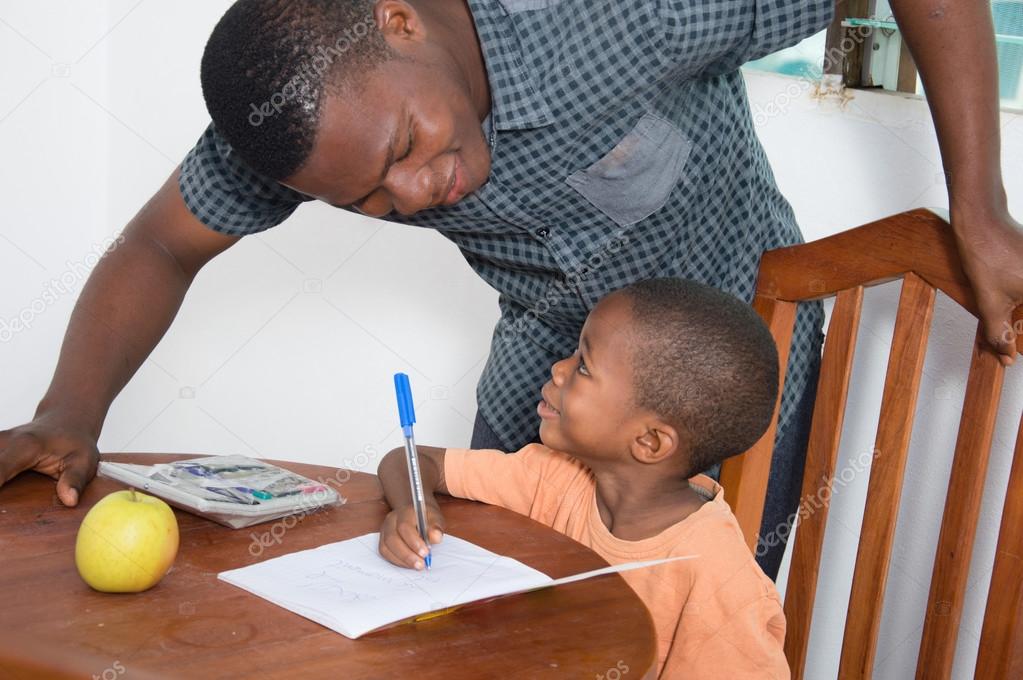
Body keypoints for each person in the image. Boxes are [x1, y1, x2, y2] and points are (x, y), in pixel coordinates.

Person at [1, 0, 1020, 581]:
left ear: (401, 18)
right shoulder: (293, 129)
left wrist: (976, 205)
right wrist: (69, 408)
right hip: (548, 383)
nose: (415, 190)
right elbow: (156, 244)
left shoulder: (613, 19)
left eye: (406, 146)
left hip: (735, 370)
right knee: (498, 617)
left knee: (691, 619)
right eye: (372, 201)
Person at [377, 278, 788, 679]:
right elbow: (411, 460)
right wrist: (415, 505)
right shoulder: (552, 475)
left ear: (648, 440)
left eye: (584, 366)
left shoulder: (722, 586)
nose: (558, 368)